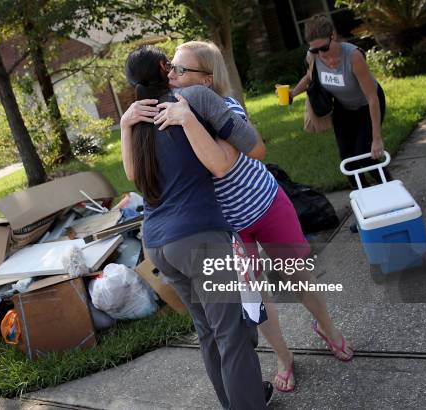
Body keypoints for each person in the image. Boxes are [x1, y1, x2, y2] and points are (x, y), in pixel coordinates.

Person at [122, 41, 353, 393]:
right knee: (254, 299)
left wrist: (189, 120)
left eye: (182, 70)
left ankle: (329, 329)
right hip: (228, 225)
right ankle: (283, 358)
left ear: (208, 80)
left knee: (298, 276)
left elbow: (234, 158)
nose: (173, 75)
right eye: (172, 69)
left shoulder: (218, 107)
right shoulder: (169, 113)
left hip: (264, 205)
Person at [122, 45, 272, 409]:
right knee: (232, 333)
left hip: (156, 242)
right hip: (199, 239)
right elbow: (254, 148)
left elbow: (134, 179)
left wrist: (126, 124)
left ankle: (244, 396)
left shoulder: (137, 119)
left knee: (208, 332)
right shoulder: (195, 99)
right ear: (164, 67)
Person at [289, 14, 391, 189]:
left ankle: (392, 190)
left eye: (323, 47)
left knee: (366, 156)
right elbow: (309, 77)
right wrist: (292, 93)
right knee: (348, 162)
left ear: (333, 36)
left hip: (368, 105)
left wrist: (377, 138)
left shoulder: (353, 57)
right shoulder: (313, 56)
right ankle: (365, 198)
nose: (320, 52)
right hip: (344, 107)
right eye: (315, 49)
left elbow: (372, 97)